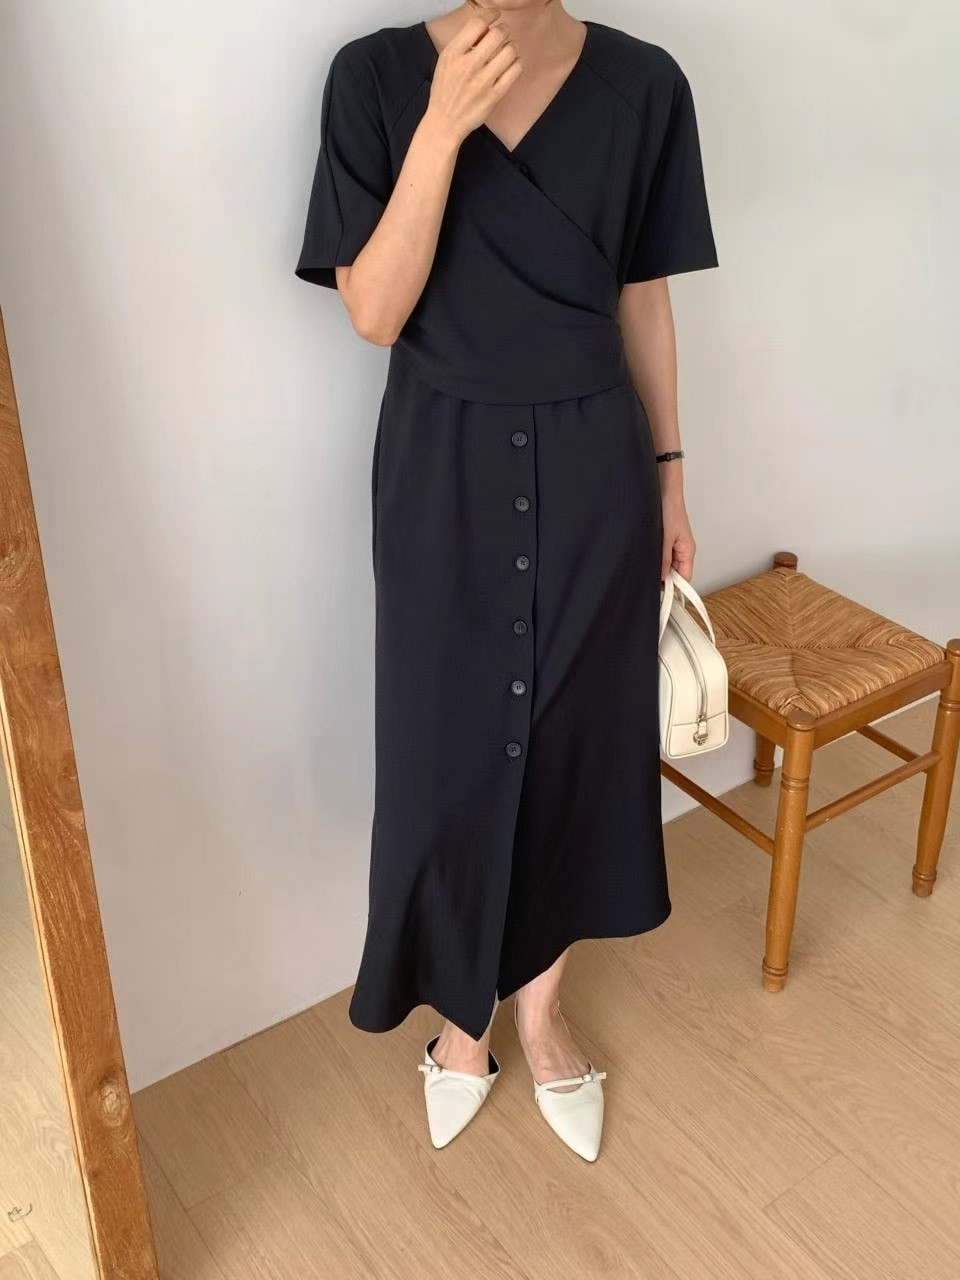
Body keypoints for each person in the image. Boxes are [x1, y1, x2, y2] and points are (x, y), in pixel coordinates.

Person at [295, 0, 717, 1161]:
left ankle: (539, 1009)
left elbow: (645, 297)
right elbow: (375, 310)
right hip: (444, 469)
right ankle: (461, 1020)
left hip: (597, 468)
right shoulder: (374, 78)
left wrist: (672, 480)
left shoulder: (645, 85)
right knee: (443, 752)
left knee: (576, 746)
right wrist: (441, 129)